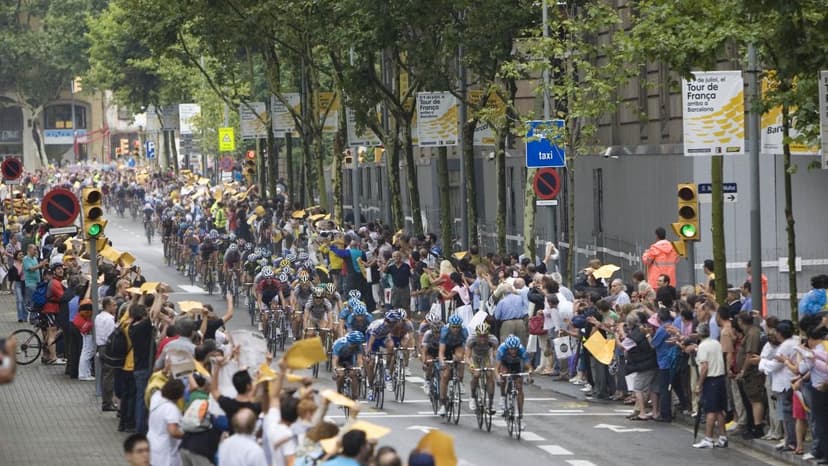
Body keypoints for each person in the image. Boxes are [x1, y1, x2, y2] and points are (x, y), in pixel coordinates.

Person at [692, 323, 729, 449]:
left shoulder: (702, 346)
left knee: (710, 410)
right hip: (720, 378)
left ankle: (708, 438)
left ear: (699, 334)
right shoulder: (716, 343)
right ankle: (723, 437)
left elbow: (704, 367)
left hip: (711, 379)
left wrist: (699, 384)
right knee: (719, 409)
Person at [496, 335, 532, 426]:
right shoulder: (501, 349)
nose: (513, 351)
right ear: (507, 348)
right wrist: (498, 377)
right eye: (511, 349)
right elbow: (497, 368)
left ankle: (520, 417)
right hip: (505, 364)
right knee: (503, 374)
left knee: (519, 387)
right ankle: (503, 397)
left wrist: (529, 374)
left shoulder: (522, 350)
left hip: (517, 365)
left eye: (515, 349)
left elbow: (529, 366)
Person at [147, 379, 185, 466]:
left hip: (152, 443)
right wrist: (187, 435)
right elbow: (173, 431)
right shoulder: (171, 409)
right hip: (165, 452)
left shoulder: (156, 398)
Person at [437, 314, 469, 416]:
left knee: (460, 358)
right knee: (445, 376)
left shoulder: (464, 331)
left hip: (458, 345)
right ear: (450, 326)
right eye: (453, 327)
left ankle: (460, 380)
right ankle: (442, 404)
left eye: (457, 327)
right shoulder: (445, 331)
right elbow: (441, 353)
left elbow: (467, 350)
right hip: (447, 347)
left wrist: (467, 360)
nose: (455, 329)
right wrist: (442, 362)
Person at [465, 323, 498, 413]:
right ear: (477, 335)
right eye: (480, 336)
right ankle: (472, 396)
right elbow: (467, 356)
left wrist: (496, 366)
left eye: (485, 336)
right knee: (476, 374)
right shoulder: (471, 339)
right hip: (474, 357)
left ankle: (490, 404)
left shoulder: (493, 340)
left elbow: (496, 355)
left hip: (486, 357)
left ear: (488, 335)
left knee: (489, 375)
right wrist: (471, 365)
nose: (482, 339)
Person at [96, 296, 118, 410]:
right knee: (109, 375)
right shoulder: (109, 318)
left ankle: (106, 401)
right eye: (114, 305)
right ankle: (107, 402)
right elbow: (111, 335)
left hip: (100, 346)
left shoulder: (99, 317)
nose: (116, 307)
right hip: (107, 348)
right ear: (108, 306)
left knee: (105, 374)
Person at [332, 331, 366, 396]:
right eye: (354, 344)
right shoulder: (340, 344)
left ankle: (354, 395)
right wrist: (335, 369)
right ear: (350, 342)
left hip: (349, 359)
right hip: (339, 359)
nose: (355, 346)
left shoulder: (358, 345)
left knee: (354, 374)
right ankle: (339, 391)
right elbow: (335, 359)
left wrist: (360, 367)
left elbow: (359, 359)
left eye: (357, 344)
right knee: (341, 374)